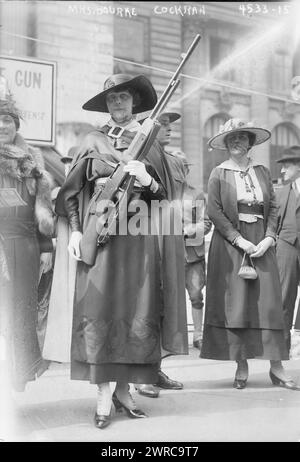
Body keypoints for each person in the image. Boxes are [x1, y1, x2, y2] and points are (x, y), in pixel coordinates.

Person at [54, 74, 188, 429]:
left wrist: (147, 180)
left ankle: (125, 390)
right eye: (112, 98)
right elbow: (69, 192)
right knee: (98, 308)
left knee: (135, 308)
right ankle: (102, 394)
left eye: (124, 97)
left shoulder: (151, 142)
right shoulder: (92, 141)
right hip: (99, 236)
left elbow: (165, 197)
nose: (118, 103)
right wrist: (76, 230)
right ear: (106, 103)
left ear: (134, 102)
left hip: (138, 237)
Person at [200, 118, 300, 390]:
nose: (237, 142)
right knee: (238, 304)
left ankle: (276, 368)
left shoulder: (263, 171)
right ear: (226, 144)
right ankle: (241, 364)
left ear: (250, 142)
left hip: (262, 242)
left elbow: (274, 208)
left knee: (269, 303)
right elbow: (214, 212)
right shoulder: (218, 173)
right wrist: (238, 240)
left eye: (242, 137)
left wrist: (269, 237)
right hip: (231, 244)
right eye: (232, 138)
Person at [0, 80, 54, 391]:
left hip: (25, 245)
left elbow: (43, 207)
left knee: (21, 309)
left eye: (8, 119)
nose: (2, 125)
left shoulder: (31, 159)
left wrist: (46, 245)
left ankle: (16, 377)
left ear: (16, 124)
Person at [275, 145, 300, 353]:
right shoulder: (281, 194)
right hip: (286, 248)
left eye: (286, 166)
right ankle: (280, 348)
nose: (282, 171)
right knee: (284, 297)